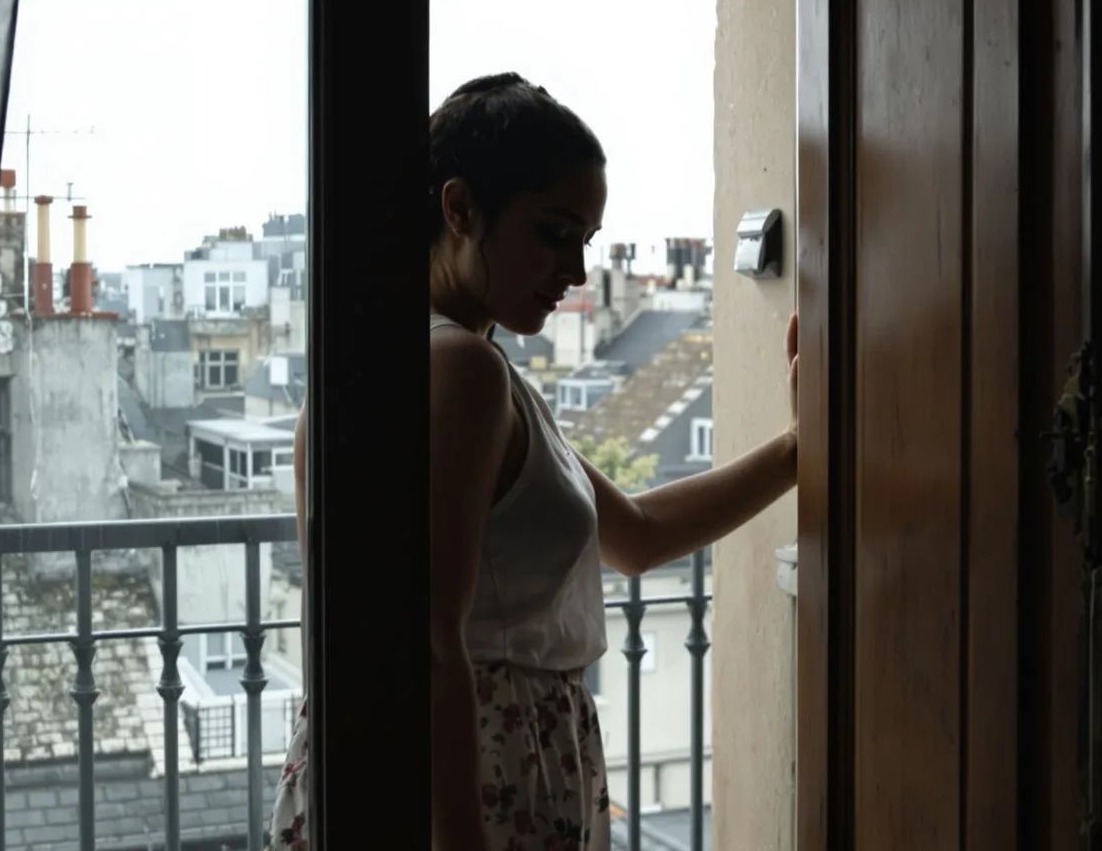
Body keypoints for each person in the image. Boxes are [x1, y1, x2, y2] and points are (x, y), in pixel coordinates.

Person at [269, 72, 799, 851]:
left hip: (451, 765)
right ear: (459, 209)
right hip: (484, 774)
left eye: (584, 242)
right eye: (554, 233)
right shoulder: (464, 372)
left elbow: (639, 534)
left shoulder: (411, 363)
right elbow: (426, 640)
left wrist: (800, 448)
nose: (577, 272)